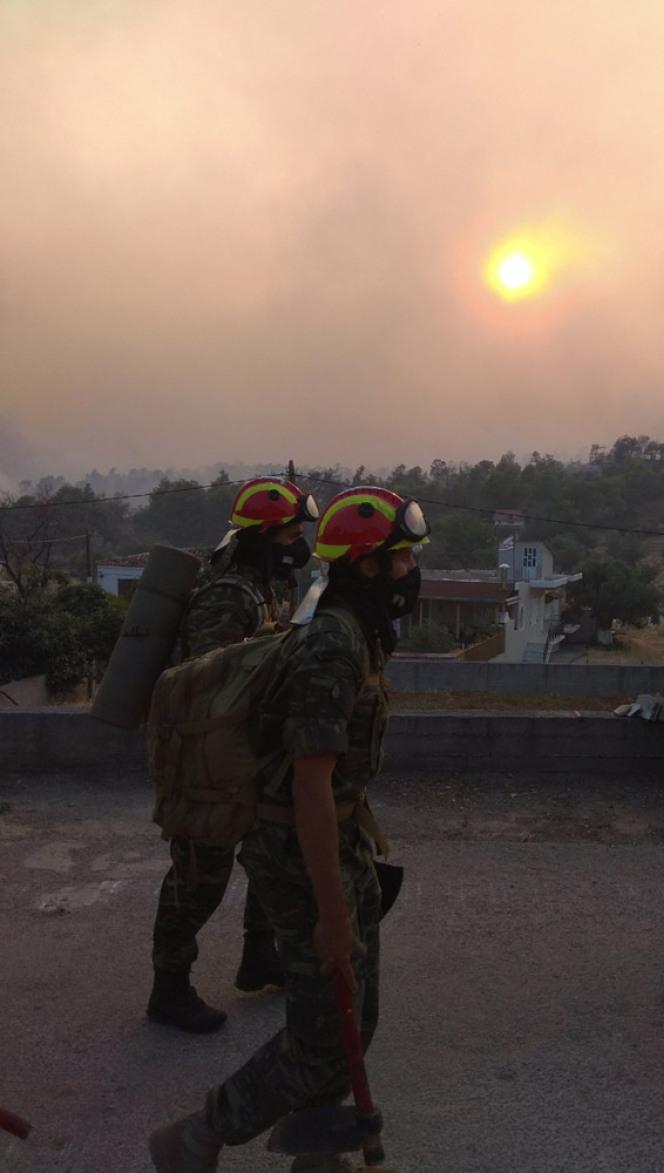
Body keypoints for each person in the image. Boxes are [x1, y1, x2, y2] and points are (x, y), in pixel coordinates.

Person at [148, 486, 429, 1172]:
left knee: (353, 1013)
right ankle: (197, 1136)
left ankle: (317, 1148)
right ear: (365, 566)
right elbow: (308, 785)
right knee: (322, 1034)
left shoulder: (353, 630)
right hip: (301, 852)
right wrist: (332, 913)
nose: (408, 572)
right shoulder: (332, 644)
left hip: (338, 839)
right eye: (399, 560)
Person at [147, 476, 320, 1034]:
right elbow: (206, 683)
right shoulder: (227, 595)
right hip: (208, 756)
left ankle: (258, 955)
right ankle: (168, 989)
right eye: (292, 532)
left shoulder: (260, 584)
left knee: (273, 853)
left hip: (248, 751)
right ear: (264, 536)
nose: (300, 542)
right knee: (199, 876)